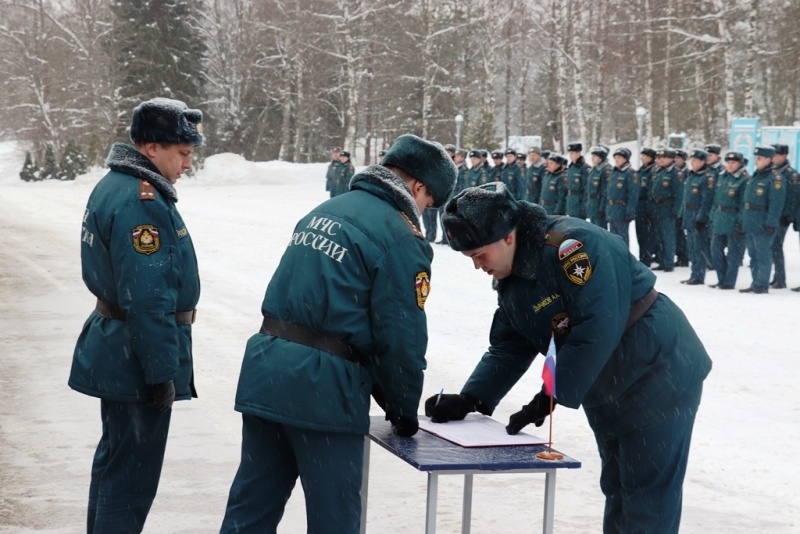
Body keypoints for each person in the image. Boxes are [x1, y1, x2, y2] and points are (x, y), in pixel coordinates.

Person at [429, 182, 711, 534]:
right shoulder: (513, 274)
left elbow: (598, 326)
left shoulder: (574, 247)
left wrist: (552, 392)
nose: (477, 267)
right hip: (604, 381)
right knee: (618, 485)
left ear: (507, 237)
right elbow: (510, 345)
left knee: (647, 493)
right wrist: (472, 397)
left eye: (479, 255)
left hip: (655, 369)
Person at [220, 134, 457, 534]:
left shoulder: (326, 210)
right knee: (335, 518)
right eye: (428, 203)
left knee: (251, 511)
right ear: (418, 187)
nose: (422, 212)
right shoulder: (400, 236)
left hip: (267, 374)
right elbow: (401, 338)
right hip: (323, 390)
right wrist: (402, 407)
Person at [70, 97, 204, 532]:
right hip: (135, 354)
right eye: (182, 153)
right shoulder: (140, 201)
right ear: (151, 148)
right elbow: (147, 297)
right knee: (131, 477)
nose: (187, 164)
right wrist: (160, 371)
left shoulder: (119, 185)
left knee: (116, 465)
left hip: (121, 345)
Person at [740, 145, 786, 294]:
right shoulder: (756, 175)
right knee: (753, 255)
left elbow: (776, 203)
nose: (756, 161)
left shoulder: (775, 178)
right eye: (756, 158)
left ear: (768, 159)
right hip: (751, 220)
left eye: (759, 158)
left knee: (763, 255)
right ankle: (755, 282)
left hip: (763, 221)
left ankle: (762, 283)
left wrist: (771, 222)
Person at [709, 151, 748, 289]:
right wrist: (712, 215)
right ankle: (721, 278)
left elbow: (744, 204)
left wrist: (740, 221)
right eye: (728, 162)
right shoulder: (722, 177)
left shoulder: (744, 179)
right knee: (715, 251)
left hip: (733, 219)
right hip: (720, 218)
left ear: (740, 164)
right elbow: (715, 199)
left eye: (733, 163)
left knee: (733, 254)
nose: (730, 165)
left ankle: (729, 281)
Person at [680, 149, 715, 285]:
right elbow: (686, 197)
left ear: (702, 162)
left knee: (699, 247)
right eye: (691, 160)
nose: (692, 163)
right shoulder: (691, 175)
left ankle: (699, 275)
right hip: (689, 214)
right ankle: (694, 273)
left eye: (695, 161)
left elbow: (707, 200)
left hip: (698, 215)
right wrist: (681, 214)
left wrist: (701, 218)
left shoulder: (707, 178)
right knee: (692, 247)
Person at [769, 143, 797, 289]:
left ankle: (780, 278)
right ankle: (777, 277)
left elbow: (793, 197)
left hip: (782, 217)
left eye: (776, 155)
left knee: (776, 246)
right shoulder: (773, 172)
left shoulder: (791, 174)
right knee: (773, 246)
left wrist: (787, 216)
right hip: (774, 215)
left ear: (783, 156)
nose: (773, 158)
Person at [649, 148, 681, 272]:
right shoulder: (658, 171)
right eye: (659, 157)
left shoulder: (675, 173)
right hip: (657, 208)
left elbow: (679, 194)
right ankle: (661, 260)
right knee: (659, 237)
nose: (661, 160)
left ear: (672, 159)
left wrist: (675, 211)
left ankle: (668, 262)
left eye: (664, 157)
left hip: (668, 207)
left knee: (668, 237)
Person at [605, 148, 639, 246]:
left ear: (625, 159)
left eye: (619, 157)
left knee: (622, 238)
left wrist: (630, 211)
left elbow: (633, 194)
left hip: (621, 210)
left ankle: (623, 259)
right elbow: (609, 193)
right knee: (613, 238)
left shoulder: (630, 173)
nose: (616, 159)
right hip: (612, 210)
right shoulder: (614, 172)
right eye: (615, 157)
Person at [635, 147, 657, 266]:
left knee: (647, 235)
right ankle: (642, 256)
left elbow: (651, 192)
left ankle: (647, 257)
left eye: (645, 156)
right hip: (639, 205)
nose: (642, 158)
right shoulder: (641, 170)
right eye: (642, 155)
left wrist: (649, 209)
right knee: (639, 233)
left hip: (647, 204)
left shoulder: (653, 171)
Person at [585, 145, 611, 229]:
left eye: (595, 156)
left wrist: (602, 209)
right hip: (592, 206)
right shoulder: (594, 170)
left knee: (600, 232)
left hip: (599, 206)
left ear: (601, 157)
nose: (592, 158)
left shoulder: (605, 170)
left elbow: (605, 192)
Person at [565, 142, 589, 219]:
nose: (570, 155)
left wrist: (583, 206)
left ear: (578, 153)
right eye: (570, 153)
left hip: (579, 201)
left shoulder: (584, 167)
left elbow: (586, 188)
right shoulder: (571, 167)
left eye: (573, 153)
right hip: (571, 201)